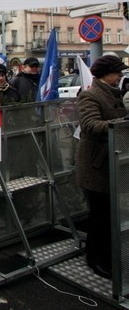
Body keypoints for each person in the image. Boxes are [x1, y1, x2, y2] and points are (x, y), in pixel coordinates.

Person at [75, 55, 129, 279]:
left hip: (114, 162)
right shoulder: (90, 95)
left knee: (111, 213)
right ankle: (95, 258)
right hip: (96, 166)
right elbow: (90, 124)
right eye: (117, 72)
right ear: (105, 74)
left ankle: (108, 253)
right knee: (100, 215)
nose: (120, 76)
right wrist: (122, 124)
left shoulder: (115, 94)